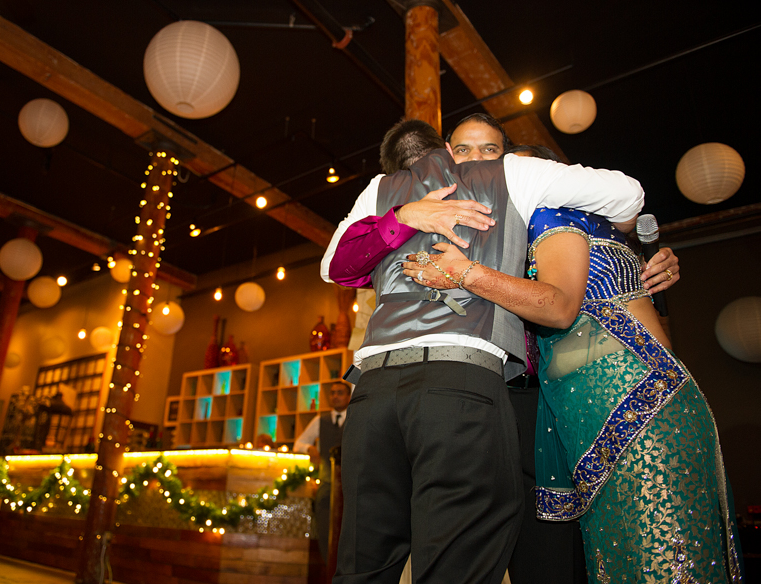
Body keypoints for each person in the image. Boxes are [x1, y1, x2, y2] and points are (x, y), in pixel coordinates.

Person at [321, 119, 645, 584]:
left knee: (362, 563)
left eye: (488, 149)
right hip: (460, 384)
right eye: (466, 150)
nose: (476, 160)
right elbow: (628, 194)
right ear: (447, 152)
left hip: (372, 392)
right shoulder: (515, 173)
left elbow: (335, 268)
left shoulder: (381, 188)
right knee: (456, 561)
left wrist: (400, 216)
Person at [401, 203, 743, 582]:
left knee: (666, 552)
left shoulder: (555, 217)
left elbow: (560, 307)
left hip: (635, 398)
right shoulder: (498, 240)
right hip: (564, 414)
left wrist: (466, 273)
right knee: (615, 557)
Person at [293, 381, 351, 564]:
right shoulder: (320, 420)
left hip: (350, 486)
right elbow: (297, 444)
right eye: (332, 393)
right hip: (326, 484)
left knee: (348, 533)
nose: (335, 396)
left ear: (348, 396)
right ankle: (329, 571)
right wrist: (309, 448)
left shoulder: (356, 417)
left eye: (340, 392)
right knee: (325, 532)